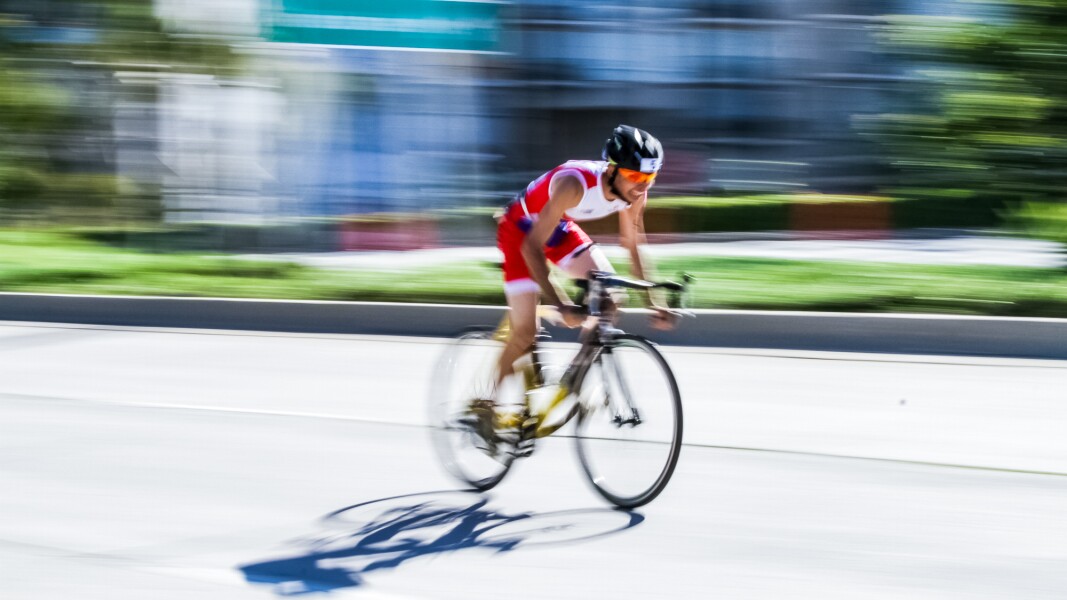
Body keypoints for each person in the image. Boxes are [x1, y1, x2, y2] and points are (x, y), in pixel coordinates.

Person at [493, 124, 677, 398]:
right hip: (519, 231)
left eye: (650, 177)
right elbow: (531, 246)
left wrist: (653, 301)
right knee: (525, 333)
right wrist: (561, 304)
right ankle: (487, 404)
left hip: (557, 228)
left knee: (612, 297)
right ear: (612, 170)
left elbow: (633, 244)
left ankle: (573, 380)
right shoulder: (574, 185)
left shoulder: (636, 193)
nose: (642, 185)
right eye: (635, 175)